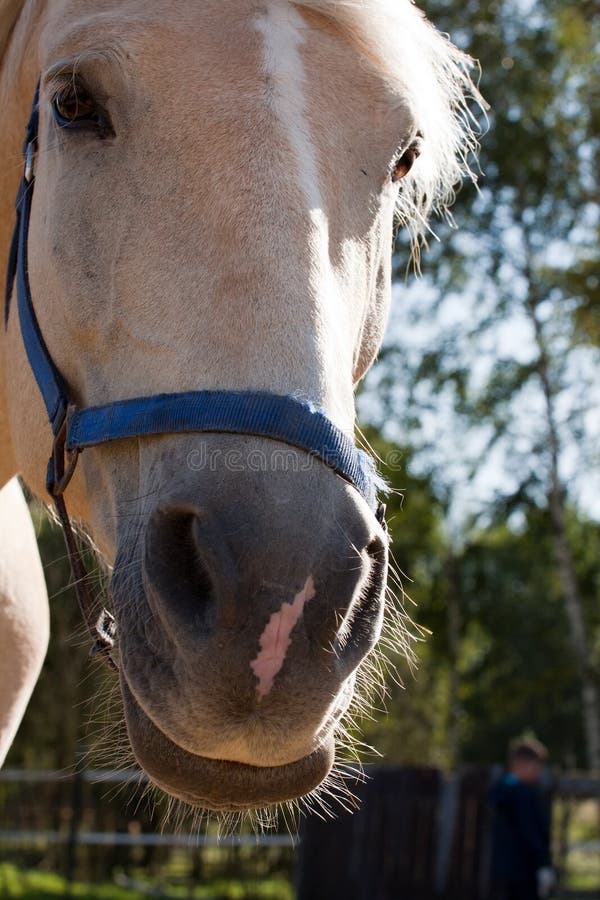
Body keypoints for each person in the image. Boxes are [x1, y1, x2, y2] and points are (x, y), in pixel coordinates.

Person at [489, 738, 555, 900]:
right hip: (525, 870)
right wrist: (542, 864)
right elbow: (530, 832)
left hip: (505, 870)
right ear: (521, 763)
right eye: (536, 766)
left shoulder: (502, 789)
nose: (538, 771)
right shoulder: (521, 794)